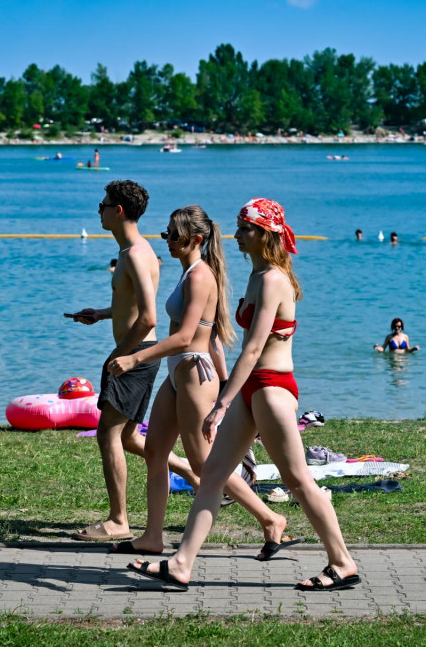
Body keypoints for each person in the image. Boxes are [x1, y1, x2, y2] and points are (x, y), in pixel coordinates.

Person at [127, 198, 360, 592]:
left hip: (271, 388)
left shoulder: (272, 280)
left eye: (246, 229)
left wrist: (221, 402)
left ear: (265, 234)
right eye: (238, 227)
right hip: (254, 389)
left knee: (298, 480)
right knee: (213, 475)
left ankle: (342, 562)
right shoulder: (259, 274)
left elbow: (253, 348)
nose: (237, 235)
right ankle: (181, 565)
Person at [108, 205, 292, 558]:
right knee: (155, 452)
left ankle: (270, 519)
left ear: (195, 239)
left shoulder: (199, 276)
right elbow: (211, 338)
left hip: (193, 373)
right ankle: (152, 537)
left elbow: (185, 337)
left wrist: (134, 358)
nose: (167, 241)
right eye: (165, 234)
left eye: (173, 236)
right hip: (179, 372)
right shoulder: (187, 271)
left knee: (203, 464)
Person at [69, 180, 198, 542]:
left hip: (136, 357)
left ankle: (118, 520)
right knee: (125, 437)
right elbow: (133, 309)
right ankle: (187, 469)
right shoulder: (133, 252)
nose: (99, 209)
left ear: (119, 211)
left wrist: (121, 354)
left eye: (104, 204)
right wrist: (102, 313)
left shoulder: (136, 254)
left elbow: (149, 318)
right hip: (137, 356)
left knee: (107, 433)